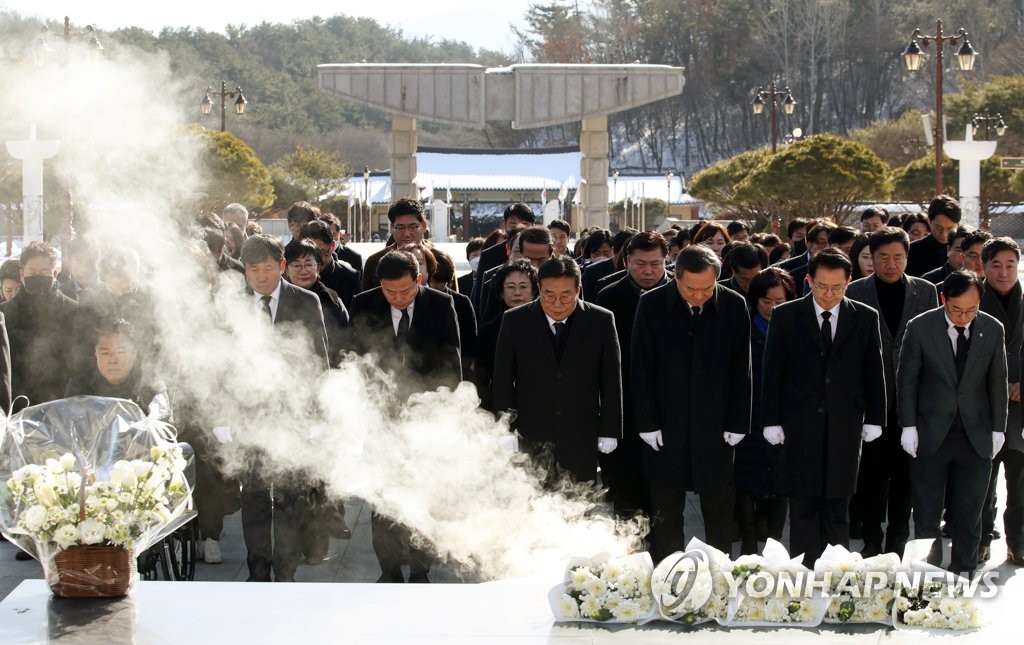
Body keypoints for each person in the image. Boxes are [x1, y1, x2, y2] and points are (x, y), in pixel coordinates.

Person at [761, 248, 886, 562]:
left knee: (837, 508)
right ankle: (803, 580)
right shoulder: (786, 315)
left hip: (845, 424)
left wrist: (875, 417)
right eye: (821, 286)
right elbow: (772, 370)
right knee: (802, 508)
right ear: (808, 281)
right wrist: (770, 419)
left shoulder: (865, 317)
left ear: (849, 282)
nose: (828, 294)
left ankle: (836, 579)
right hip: (799, 424)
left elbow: (875, 370)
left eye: (837, 287)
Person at [631, 244, 751, 559]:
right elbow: (640, 367)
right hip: (666, 425)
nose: (699, 296)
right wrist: (647, 421)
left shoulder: (734, 305)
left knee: (719, 507)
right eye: (691, 289)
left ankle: (718, 575)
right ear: (675, 277)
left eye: (707, 289)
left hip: (716, 424)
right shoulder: (652, 304)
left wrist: (739, 420)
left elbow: (743, 368)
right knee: (666, 509)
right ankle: (669, 575)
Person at [349, 250, 461, 583]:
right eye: (390, 292)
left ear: (419, 280)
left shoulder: (440, 305)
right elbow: (355, 361)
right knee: (383, 498)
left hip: (425, 417)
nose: (397, 298)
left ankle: (420, 567)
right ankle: (389, 568)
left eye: (405, 291)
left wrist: (439, 413)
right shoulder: (363, 303)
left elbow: (451, 365)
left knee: (423, 493)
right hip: (380, 419)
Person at [898, 270, 1008, 577]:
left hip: (976, 433)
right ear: (944, 299)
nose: (963, 317)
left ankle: (963, 573)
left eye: (971, 310)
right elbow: (907, 380)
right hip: (931, 433)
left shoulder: (991, 328)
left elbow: (997, 381)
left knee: (970, 511)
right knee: (927, 511)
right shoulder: (920, 327)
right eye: (957, 310)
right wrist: (908, 426)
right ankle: (928, 574)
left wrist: (998, 427)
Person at [238, 234, 330, 583]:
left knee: (291, 499)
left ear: (281, 266)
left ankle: (286, 570)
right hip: (249, 416)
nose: (261, 276)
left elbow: (319, 360)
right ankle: (258, 570)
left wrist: (315, 416)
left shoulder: (306, 301)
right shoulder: (232, 303)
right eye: (253, 269)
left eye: (267, 268)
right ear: (245, 271)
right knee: (255, 499)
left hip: (293, 414)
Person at [845, 227, 937, 557]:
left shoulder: (925, 292)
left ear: (907, 258)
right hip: (871, 401)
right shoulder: (855, 291)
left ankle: (898, 538)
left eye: (898, 256)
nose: (890, 263)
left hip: (912, 401)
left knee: (905, 476)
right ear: (871, 257)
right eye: (882, 256)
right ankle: (871, 537)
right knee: (870, 475)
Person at [492, 256, 622, 486]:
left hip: (581, 433)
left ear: (578, 289)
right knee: (532, 504)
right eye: (549, 295)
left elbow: (611, 379)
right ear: (538, 288)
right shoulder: (515, 320)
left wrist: (610, 429)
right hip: (532, 431)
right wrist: (505, 427)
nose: (558, 303)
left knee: (579, 505)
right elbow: (503, 378)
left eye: (566, 295)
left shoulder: (600, 320)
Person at [596, 231, 670, 519]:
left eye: (656, 263)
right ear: (627, 261)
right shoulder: (608, 296)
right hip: (623, 406)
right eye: (640, 263)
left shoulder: (679, 293)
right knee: (625, 494)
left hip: (666, 408)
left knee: (664, 498)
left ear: (667, 261)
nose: (648, 271)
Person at [735, 267, 795, 555]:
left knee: (781, 480)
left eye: (780, 302)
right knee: (745, 480)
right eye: (766, 302)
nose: (773, 308)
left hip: (784, 417)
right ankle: (747, 540)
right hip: (749, 416)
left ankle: (772, 537)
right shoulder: (743, 329)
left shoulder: (796, 329)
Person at [976, 238, 1024, 565]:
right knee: (980, 483)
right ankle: (979, 539)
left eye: (1010, 265)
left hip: (1020, 410)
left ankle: (1018, 542)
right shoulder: (971, 299)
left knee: (1020, 484)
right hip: (980, 409)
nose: (1003, 272)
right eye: (996, 265)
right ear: (984, 266)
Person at [0, 241, 78, 411]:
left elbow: (78, 365)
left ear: (54, 273)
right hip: (14, 407)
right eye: (32, 272)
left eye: (44, 272)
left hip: (61, 406)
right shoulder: (4, 315)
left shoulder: (74, 312)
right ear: (22, 274)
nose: (38, 276)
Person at [474, 260, 538, 412]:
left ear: (535, 291)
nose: (517, 292)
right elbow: (482, 379)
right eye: (510, 287)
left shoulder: (546, 326)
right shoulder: (489, 331)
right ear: (501, 293)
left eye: (523, 287)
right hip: (502, 410)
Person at [470, 203, 536, 311]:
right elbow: (478, 296)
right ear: (505, 225)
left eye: (525, 224)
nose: (519, 228)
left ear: (533, 226)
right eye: (513, 224)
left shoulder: (538, 251)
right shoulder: (489, 255)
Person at [363, 198, 432, 291]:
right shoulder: (374, 262)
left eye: (413, 227)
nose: (407, 234)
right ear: (392, 227)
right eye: (400, 227)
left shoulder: (439, 259)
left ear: (423, 226)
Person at [906, 196, 962, 277]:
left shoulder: (966, 252)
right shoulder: (911, 252)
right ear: (929, 221)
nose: (944, 234)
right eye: (939, 228)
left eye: (950, 229)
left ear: (957, 225)